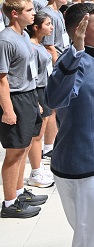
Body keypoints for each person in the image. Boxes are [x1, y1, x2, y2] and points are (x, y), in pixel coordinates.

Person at [46, 3, 94, 247]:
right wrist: (75, 51)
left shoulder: (91, 57)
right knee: (91, 236)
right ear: (80, 31)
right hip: (81, 166)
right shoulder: (75, 60)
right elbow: (53, 98)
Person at [0, 0, 46, 219]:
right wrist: (8, 110)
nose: (34, 13)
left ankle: (18, 193)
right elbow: (2, 79)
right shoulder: (6, 40)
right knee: (15, 151)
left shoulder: (24, 35)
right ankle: (9, 203)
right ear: (15, 14)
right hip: (15, 99)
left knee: (25, 147)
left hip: (29, 95)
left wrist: (35, 100)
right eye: (29, 10)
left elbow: (28, 70)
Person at [26, 11, 55, 189]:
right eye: (47, 24)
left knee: (41, 132)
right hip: (38, 90)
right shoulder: (31, 47)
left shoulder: (40, 44)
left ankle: (38, 167)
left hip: (45, 88)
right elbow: (32, 75)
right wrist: (36, 99)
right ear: (36, 27)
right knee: (37, 135)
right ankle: (35, 172)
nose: (51, 27)